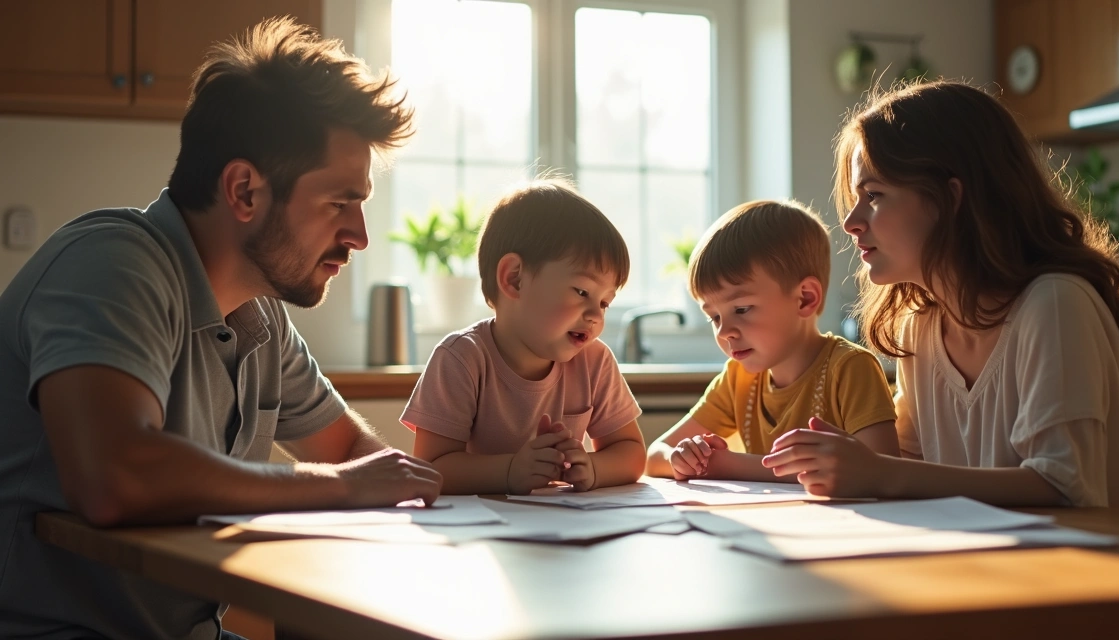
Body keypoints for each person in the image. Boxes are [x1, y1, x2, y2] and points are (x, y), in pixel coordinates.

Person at [0, 17, 442, 640]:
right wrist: (341, 487)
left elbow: (346, 452)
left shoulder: (261, 317)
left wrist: (416, 493)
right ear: (244, 191)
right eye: (339, 202)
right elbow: (114, 477)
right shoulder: (113, 264)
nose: (359, 236)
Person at [763, 80, 1119, 510]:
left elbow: (1065, 487)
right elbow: (907, 465)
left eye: (874, 195)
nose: (850, 222)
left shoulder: (1054, 304)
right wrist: (853, 462)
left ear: (950, 198)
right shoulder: (919, 330)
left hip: (1115, 569)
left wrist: (880, 472)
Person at [403, 179, 646, 495]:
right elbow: (431, 468)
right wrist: (510, 470)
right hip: (483, 531)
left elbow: (631, 452)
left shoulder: (594, 360)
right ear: (514, 279)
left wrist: (593, 466)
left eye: (604, 302)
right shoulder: (461, 358)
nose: (596, 316)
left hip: (566, 529)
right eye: (582, 292)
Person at [646, 200, 899, 481]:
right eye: (714, 317)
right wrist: (681, 458)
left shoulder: (850, 369)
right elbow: (655, 455)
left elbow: (881, 471)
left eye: (741, 310)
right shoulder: (737, 379)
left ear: (805, 298)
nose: (724, 331)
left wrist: (728, 466)